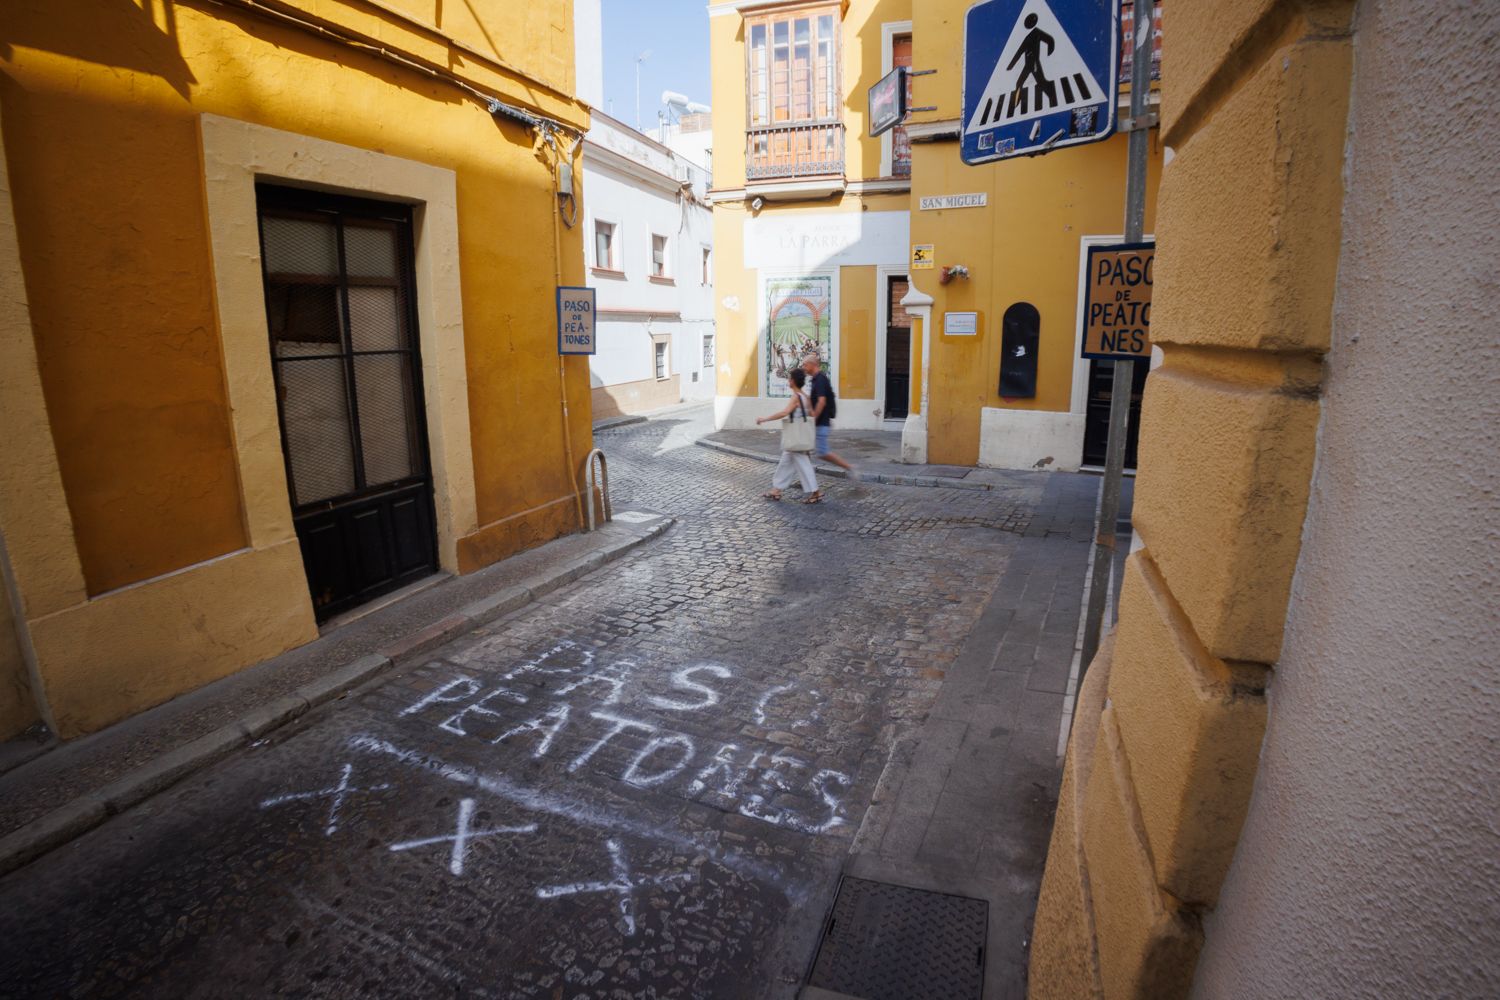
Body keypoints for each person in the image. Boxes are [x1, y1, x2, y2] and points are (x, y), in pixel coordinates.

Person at [755, 368, 823, 504]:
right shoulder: (805, 396)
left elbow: (784, 413)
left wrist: (765, 419)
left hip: (795, 438)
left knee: (804, 465)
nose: (788, 381)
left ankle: (816, 492)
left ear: (793, 381)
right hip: (798, 438)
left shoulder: (796, 397)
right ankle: (776, 490)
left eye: (789, 378)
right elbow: (812, 414)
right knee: (785, 463)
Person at [801, 353, 854, 473]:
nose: (803, 367)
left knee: (822, 452)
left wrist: (814, 417)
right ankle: (806, 475)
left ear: (812, 364)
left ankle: (849, 467)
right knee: (805, 449)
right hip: (819, 422)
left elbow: (822, 401)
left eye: (805, 365)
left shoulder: (820, 379)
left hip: (821, 422)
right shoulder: (815, 379)